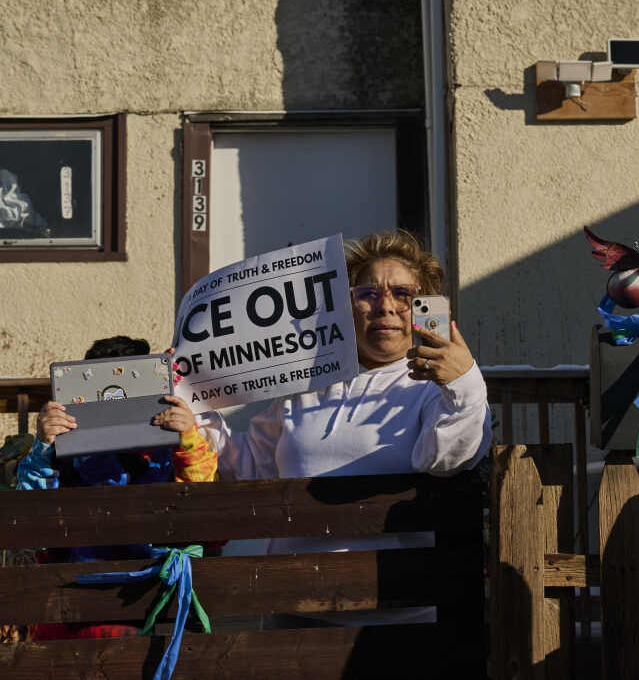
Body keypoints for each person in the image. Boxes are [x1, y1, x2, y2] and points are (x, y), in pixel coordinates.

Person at [159, 230, 491, 623]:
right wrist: (193, 411)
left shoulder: (437, 388)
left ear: (424, 307)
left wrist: (465, 383)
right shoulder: (310, 385)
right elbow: (249, 465)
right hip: (297, 612)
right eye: (367, 293)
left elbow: (450, 459)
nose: (385, 306)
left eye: (403, 294)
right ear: (346, 307)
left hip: (402, 619)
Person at [16, 335, 218, 640]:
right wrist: (44, 445)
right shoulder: (65, 452)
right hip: (77, 603)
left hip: (154, 601)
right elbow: (29, 512)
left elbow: (206, 506)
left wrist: (187, 435)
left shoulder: (169, 450)